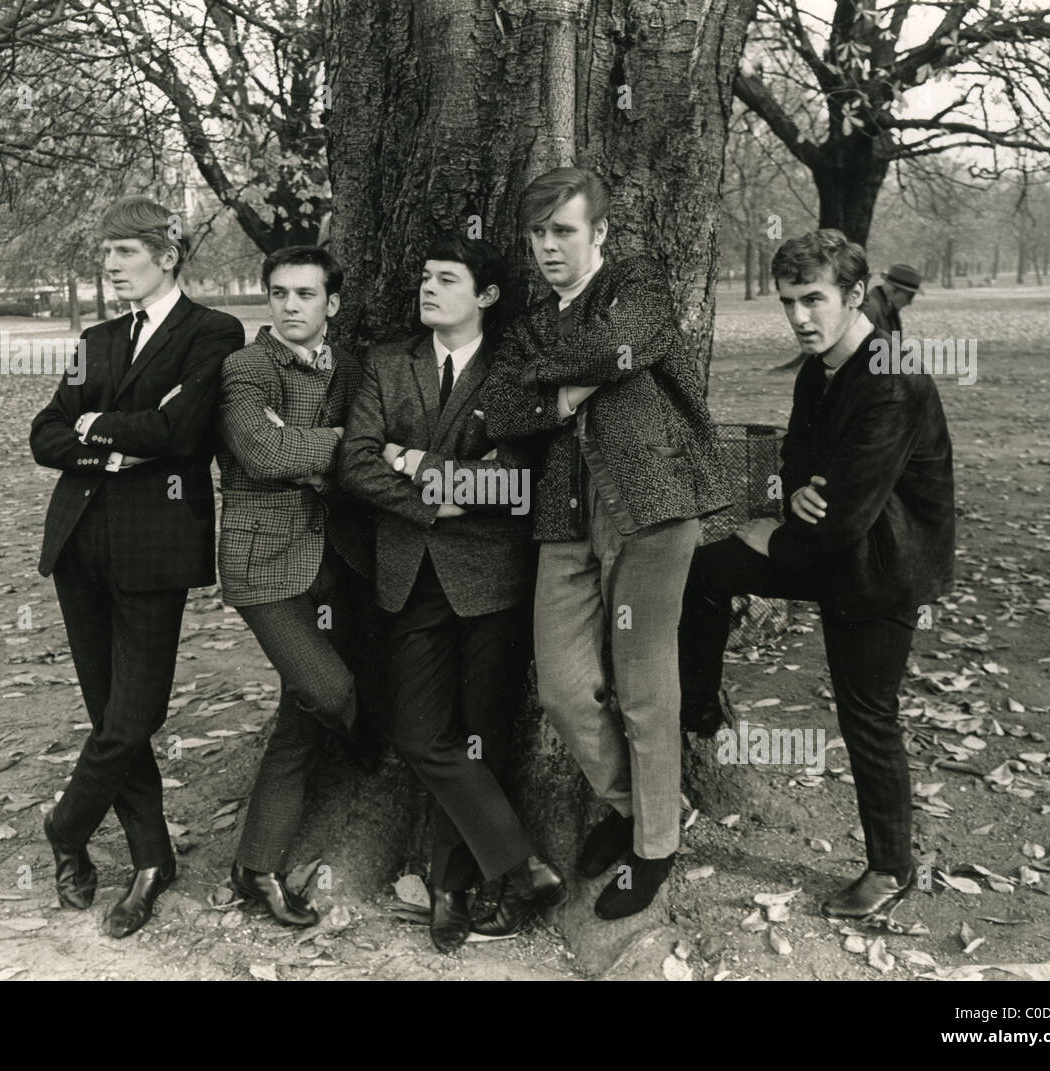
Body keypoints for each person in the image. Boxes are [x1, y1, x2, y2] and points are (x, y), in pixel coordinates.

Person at [679, 229, 954, 920]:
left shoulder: (892, 378)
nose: (799, 317)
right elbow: (796, 465)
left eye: (813, 300)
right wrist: (796, 493)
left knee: (868, 715)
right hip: (829, 546)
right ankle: (699, 710)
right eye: (787, 302)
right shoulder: (816, 369)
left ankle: (891, 867)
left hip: (881, 568)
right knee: (706, 567)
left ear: (855, 295)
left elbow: (843, 520)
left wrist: (776, 528)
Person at [482, 168, 732, 921]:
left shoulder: (638, 282)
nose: (549, 246)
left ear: (598, 235)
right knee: (563, 688)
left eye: (564, 230)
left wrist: (552, 385)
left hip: (652, 506)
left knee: (644, 685)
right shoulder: (528, 321)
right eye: (538, 233)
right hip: (565, 517)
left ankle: (654, 847)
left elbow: (625, 343)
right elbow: (499, 409)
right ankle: (634, 805)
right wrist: (561, 388)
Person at [339, 234, 566, 952]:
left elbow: (517, 483)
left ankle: (452, 884)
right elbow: (356, 463)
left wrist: (416, 461)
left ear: (487, 296)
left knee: (482, 735)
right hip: (410, 571)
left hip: (492, 580)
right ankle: (520, 864)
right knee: (418, 732)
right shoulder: (386, 363)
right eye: (425, 277)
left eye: (446, 278)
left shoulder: (513, 371)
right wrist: (436, 499)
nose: (428, 289)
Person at [30, 196, 245, 937]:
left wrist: (99, 425)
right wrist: (108, 440)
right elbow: (46, 433)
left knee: (137, 711)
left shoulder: (211, 332)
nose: (113, 265)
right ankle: (151, 860)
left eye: (126, 251)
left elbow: (179, 432)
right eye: (107, 252)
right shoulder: (97, 336)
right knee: (107, 711)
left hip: (155, 544)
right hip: (80, 540)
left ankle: (66, 825)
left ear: (167, 254)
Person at [215, 245, 377, 927]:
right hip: (262, 565)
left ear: (330, 304)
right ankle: (373, 742)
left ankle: (257, 865)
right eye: (278, 292)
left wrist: (313, 453)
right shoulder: (246, 367)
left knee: (300, 715)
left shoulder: (352, 370)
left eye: (305, 294)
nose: (288, 306)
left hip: (334, 562)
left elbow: (366, 451)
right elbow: (260, 451)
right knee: (331, 690)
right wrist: (337, 450)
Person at [861, 263, 921, 336]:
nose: (910, 302)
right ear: (894, 290)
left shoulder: (890, 308)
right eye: (909, 296)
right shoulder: (870, 309)